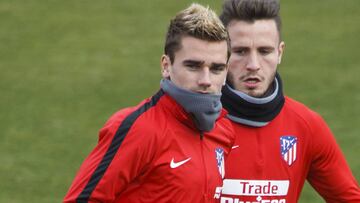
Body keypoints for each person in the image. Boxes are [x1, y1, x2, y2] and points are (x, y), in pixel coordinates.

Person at [63, 3, 234, 203]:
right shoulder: (139, 128)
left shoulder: (223, 131)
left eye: (216, 68)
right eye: (193, 66)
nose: (205, 80)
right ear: (166, 66)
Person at [218, 0, 360, 202]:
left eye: (265, 51)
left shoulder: (306, 126)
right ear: (222, 53)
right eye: (240, 51)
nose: (253, 65)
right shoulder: (190, 120)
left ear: (280, 52)